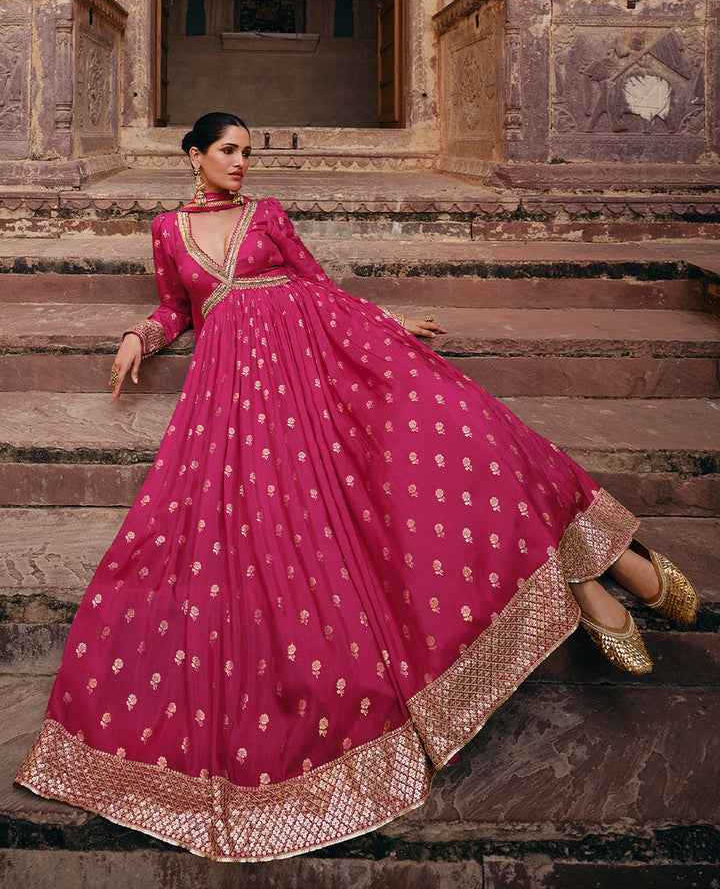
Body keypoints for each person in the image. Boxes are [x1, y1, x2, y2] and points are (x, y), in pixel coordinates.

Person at [16, 113, 699, 863]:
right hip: (237, 387)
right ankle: (589, 580)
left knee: (466, 433)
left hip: (319, 349)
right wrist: (137, 337)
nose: (242, 164)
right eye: (229, 151)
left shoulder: (267, 215)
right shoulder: (168, 229)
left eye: (248, 152)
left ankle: (599, 566)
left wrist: (386, 321)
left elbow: (314, 282)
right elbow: (179, 310)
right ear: (195, 157)